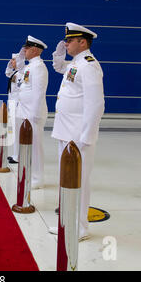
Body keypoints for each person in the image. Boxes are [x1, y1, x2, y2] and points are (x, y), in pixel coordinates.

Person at [49, 22, 105, 241]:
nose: (66, 43)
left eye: (70, 40)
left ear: (83, 42)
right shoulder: (77, 63)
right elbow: (59, 67)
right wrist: (58, 53)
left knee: (80, 181)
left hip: (79, 135)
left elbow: (96, 104)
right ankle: (67, 222)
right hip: (66, 131)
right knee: (67, 180)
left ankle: (80, 227)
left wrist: (86, 137)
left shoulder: (89, 65)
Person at [12, 36, 48, 189]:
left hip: (33, 113)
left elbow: (39, 92)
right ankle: (29, 172)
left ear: (34, 50)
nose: (24, 51)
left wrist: (34, 113)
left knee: (35, 146)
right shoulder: (29, 66)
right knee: (25, 145)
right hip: (23, 110)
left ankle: (37, 178)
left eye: (26, 49)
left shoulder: (38, 67)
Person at [5, 51, 25, 164]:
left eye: (14, 60)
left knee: (17, 131)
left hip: (18, 107)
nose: (12, 62)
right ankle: (15, 154)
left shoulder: (23, 73)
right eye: (11, 60)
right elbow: (7, 73)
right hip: (12, 105)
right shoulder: (15, 73)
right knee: (14, 132)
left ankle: (18, 156)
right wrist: (10, 64)